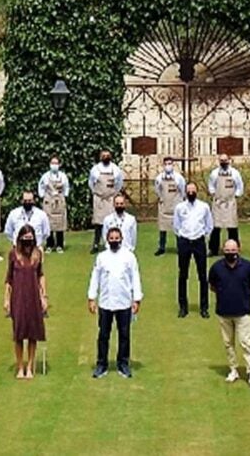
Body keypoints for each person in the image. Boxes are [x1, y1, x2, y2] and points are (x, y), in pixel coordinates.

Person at [87, 227, 143, 378]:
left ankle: (123, 364)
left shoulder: (129, 257)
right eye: (111, 238)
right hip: (105, 302)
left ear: (121, 238)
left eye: (116, 238)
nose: (114, 240)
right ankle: (101, 364)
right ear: (107, 239)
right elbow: (95, 278)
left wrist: (136, 299)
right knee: (103, 335)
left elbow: (135, 278)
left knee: (124, 335)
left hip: (124, 302)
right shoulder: (101, 257)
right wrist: (92, 297)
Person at [209, 239, 250, 389]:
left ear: (238, 250)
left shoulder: (248, 267)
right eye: (227, 251)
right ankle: (233, 370)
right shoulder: (216, 267)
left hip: (243, 312)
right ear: (223, 250)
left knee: (246, 343)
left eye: (233, 250)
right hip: (223, 313)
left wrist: (243, 296)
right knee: (228, 344)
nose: (230, 253)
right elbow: (213, 286)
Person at [4, 225, 48, 379]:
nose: (28, 242)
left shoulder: (38, 254)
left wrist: (44, 296)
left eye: (31, 238)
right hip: (18, 297)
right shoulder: (13, 254)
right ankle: (20, 366)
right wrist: (6, 300)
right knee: (19, 333)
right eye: (25, 238)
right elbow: (9, 279)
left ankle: (30, 366)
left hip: (33, 296)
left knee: (32, 333)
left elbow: (41, 275)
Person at [173, 182, 214, 319]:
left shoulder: (204, 207)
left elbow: (209, 225)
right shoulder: (180, 207)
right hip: (184, 242)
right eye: (188, 190)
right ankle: (183, 307)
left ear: (197, 191)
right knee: (183, 275)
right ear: (185, 192)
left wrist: (203, 235)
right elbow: (176, 225)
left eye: (193, 190)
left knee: (203, 276)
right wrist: (182, 237)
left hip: (199, 242)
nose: (191, 192)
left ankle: (204, 308)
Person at [207, 154, 244, 256]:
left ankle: (234, 249)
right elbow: (211, 186)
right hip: (218, 203)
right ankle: (213, 249)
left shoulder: (235, 173)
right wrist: (215, 195)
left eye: (225, 160)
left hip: (230, 203)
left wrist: (234, 197)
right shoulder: (214, 173)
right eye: (221, 160)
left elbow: (240, 186)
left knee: (232, 228)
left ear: (229, 160)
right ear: (219, 161)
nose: (223, 162)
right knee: (215, 227)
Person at [88, 149, 124, 253]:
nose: (105, 157)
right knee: (98, 223)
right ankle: (96, 244)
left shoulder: (115, 169)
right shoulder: (95, 169)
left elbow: (119, 184)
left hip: (110, 200)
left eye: (107, 155)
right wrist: (98, 193)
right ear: (100, 157)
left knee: (111, 222)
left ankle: (111, 243)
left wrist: (112, 194)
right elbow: (91, 183)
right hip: (99, 199)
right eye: (103, 155)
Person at [152, 156, 186, 256]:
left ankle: (181, 247)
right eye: (166, 164)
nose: (168, 166)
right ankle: (162, 247)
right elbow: (157, 190)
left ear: (173, 165)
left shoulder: (179, 178)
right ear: (163, 165)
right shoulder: (159, 178)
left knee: (178, 228)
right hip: (164, 206)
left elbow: (182, 190)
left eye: (170, 164)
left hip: (176, 205)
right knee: (163, 228)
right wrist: (161, 199)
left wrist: (180, 202)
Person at [38, 155, 70, 252]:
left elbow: (66, 187)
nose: (54, 165)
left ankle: (60, 244)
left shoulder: (63, 176)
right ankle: (49, 245)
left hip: (59, 200)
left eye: (56, 163)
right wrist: (43, 196)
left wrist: (64, 196)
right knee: (48, 223)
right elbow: (41, 186)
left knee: (60, 222)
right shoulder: (45, 176)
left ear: (59, 165)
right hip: (49, 200)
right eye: (52, 163)